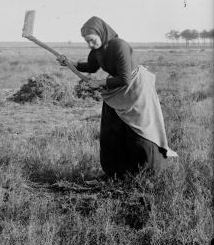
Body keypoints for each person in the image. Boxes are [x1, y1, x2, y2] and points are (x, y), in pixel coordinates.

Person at [57, 16, 176, 178]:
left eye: (92, 40)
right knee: (112, 129)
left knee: (138, 130)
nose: (90, 44)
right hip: (116, 89)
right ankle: (117, 173)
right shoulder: (97, 50)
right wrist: (69, 63)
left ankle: (145, 173)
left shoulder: (119, 46)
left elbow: (125, 79)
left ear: (101, 33)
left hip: (135, 89)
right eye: (87, 41)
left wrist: (100, 83)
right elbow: (91, 67)